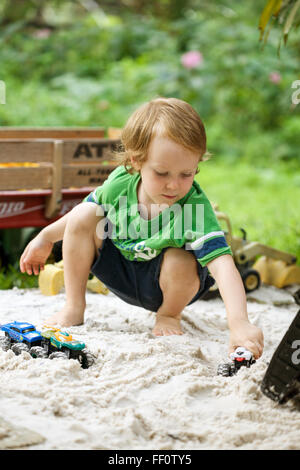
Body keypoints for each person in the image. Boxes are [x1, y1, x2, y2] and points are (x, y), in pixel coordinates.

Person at [20, 97, 264, 359]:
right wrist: (45, 237)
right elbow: (78, 219)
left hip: (168, 286)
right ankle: (74, 306)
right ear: (136, 161)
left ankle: (169, 315)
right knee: (84, 212)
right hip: (122, 270)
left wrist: (239, 323)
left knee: (181, 257)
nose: (174, 185)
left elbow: (223, 264)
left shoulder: (194, 208)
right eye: (162, 173)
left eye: (187, 174)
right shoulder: (120, 183)